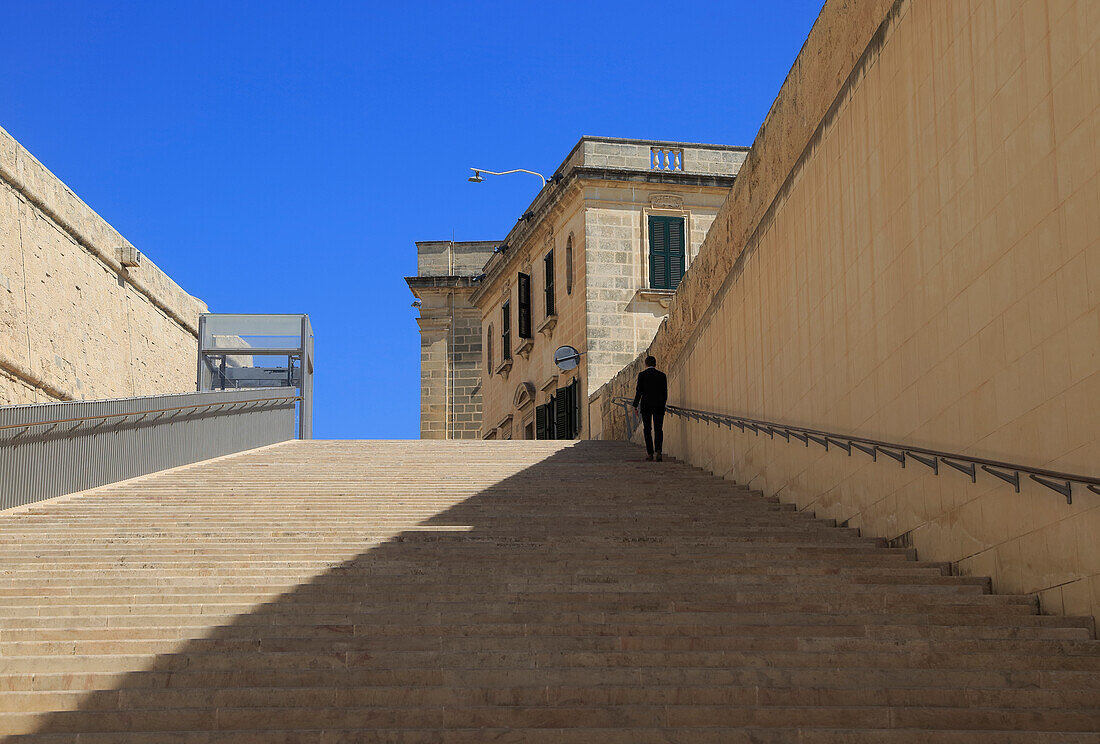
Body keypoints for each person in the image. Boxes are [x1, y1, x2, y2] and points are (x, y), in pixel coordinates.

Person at [632, 356, 667, 462]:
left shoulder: (642, 375)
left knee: (647, 429)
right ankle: (659, 452)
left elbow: (639, 391)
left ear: (646, 364)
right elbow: (665, 393)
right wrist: (663, 404)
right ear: (655, 364)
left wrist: (635, 405)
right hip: (659, 406)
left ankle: (650, 453)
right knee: (658, 429)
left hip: (646, 406)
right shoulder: (662, 375)